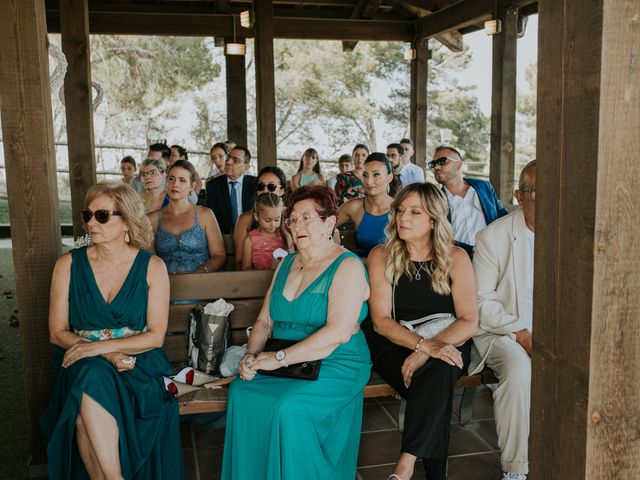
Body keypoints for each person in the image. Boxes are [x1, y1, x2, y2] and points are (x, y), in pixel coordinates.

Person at [222, 185, 371, 479]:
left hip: (336, 360)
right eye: (292, 219)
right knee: (241, 392)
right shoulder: (287, 263)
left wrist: (276, 358)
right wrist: (252, 355)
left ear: (329, 223)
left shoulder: (348, 266)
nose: (297, 225)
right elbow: (264, 321)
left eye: (307, 218)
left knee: (288, 408)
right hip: (285, 361)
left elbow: (337, 333)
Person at [40, 182, 183, 480]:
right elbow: (57, 333)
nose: (91, 222)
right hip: (81, 361)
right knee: (91, 375)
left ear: (127, 221)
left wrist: (97, 348)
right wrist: (106, 355)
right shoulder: (67, 265)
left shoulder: (152, 266)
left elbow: (155, 336)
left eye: (102, 215)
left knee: (83, 414)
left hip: (137, 362)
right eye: (87, 215)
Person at [365, 182, 478, 480]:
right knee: (438, 378)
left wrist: (431, 348)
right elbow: (380, 321)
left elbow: (468, 320)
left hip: (447, 335)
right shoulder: (381, 255)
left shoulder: (456, 257)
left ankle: (406, 463)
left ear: (433, 220)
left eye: (415, 212)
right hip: (394, 341)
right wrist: (422, 348)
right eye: (400, 210)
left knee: (440, 369)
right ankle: (430, 473)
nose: (403, 218)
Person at [470, 160, 536, 480]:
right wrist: (522, 333)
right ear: (519, 195)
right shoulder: (492, 237)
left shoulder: (571, 234)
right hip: (502, 330)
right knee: (518, 366)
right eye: (536, 192)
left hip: (550, 331)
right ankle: (516, 468)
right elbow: (481, 301)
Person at [430, 145, 508, 256]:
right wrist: (472, 251)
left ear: (458, 165)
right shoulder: (435, 199)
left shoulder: (484, 187)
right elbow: (438, 236)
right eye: (432, 164)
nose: (436, 167)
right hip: (459, 260)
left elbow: (502, 216)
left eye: (442, 161)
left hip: (493, 255)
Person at [149, 160, 226, 273]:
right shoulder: (153, 219)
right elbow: (149, 259)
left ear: (192, 186)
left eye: (182, 180)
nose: (175, 184)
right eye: (171, 178)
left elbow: (219, 255)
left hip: (200, 282)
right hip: (164, 283)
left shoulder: (205, 215)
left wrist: (199, 274)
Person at [337, 152, 394, 257]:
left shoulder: (400, 208)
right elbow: (324, 225)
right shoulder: (354, 207)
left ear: (389, 178)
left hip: (391, 270)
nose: (368, 181)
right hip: (359, 270)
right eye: (365, 175)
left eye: (376, 174)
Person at [233, 166, 288, 267]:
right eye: (260, 186)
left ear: (282, 190)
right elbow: (239, 262)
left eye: (271, 186)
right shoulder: (245, 219)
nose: (265, 190)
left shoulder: (291, 217)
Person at [205, 145, 257, 234]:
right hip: (224, 237)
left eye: (235, 160)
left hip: (252, 235)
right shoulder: (213, 186)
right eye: (228, 158)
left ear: (246, 167)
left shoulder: (256, 184)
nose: (228, 162)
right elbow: (211, 218)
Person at [242, 193, 289, 270]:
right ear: (257, 216)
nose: (273, 224)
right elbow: (246, 267)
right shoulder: (250, 240)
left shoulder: (285, 235)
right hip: (257, 279)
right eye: (267, 220)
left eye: (277, 220)